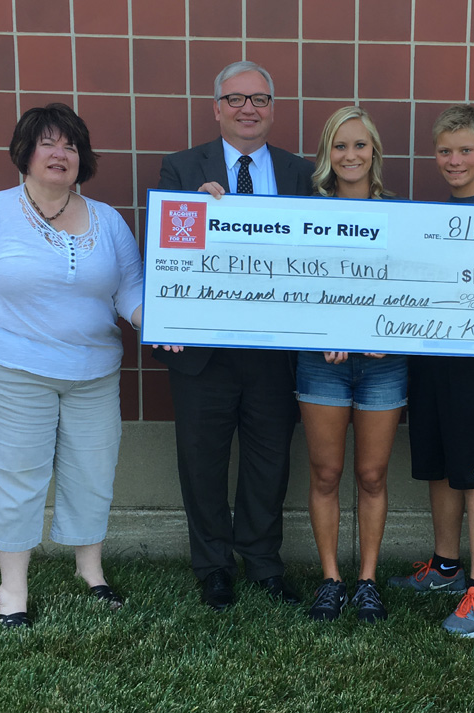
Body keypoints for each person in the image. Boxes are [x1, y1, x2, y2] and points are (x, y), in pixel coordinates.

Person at [0, 103, 143, 628]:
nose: (59, 153)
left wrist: (159, 324)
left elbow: (130, 290)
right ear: (25, 153)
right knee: (16, 475)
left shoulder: (108, 221)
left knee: (92, 471)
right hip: (5, 370)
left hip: (92, 371)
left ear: (82, 158)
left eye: (69, 145)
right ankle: (12, 592)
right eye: (47, 143)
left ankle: (90, 572)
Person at [154, 61, 313, 611]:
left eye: (261, 99)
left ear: (273, 108)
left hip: (273, 350)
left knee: (270, 464)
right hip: (203, 351)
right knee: (201, 462)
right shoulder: (180, 170)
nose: (249, 108)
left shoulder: (300, 173)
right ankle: (213, 567)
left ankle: (264, 564)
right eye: (237, 98)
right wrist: (197, 209)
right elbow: (167, 251)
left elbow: (321, 257)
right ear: (216, 107)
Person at [388, 104, 474, 638]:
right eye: (445, 150)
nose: (455, 159)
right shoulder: (432, 218)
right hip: (432, 368)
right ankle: (446, 566)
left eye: (465, 149)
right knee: (441, 469)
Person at [299, 106, 407, 624]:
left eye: (360, 145)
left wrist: (395, 330)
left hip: (385, 365)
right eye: (340, 146)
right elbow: (285, 287)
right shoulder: (305, 215)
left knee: (371, 473)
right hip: (322, 362)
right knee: (326, 471)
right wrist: (323, 332)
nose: (350, 155)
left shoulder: (402, 216)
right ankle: (329, 579)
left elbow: (415, 290)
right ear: (327, 154)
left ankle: (366, 580)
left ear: (374, 154)